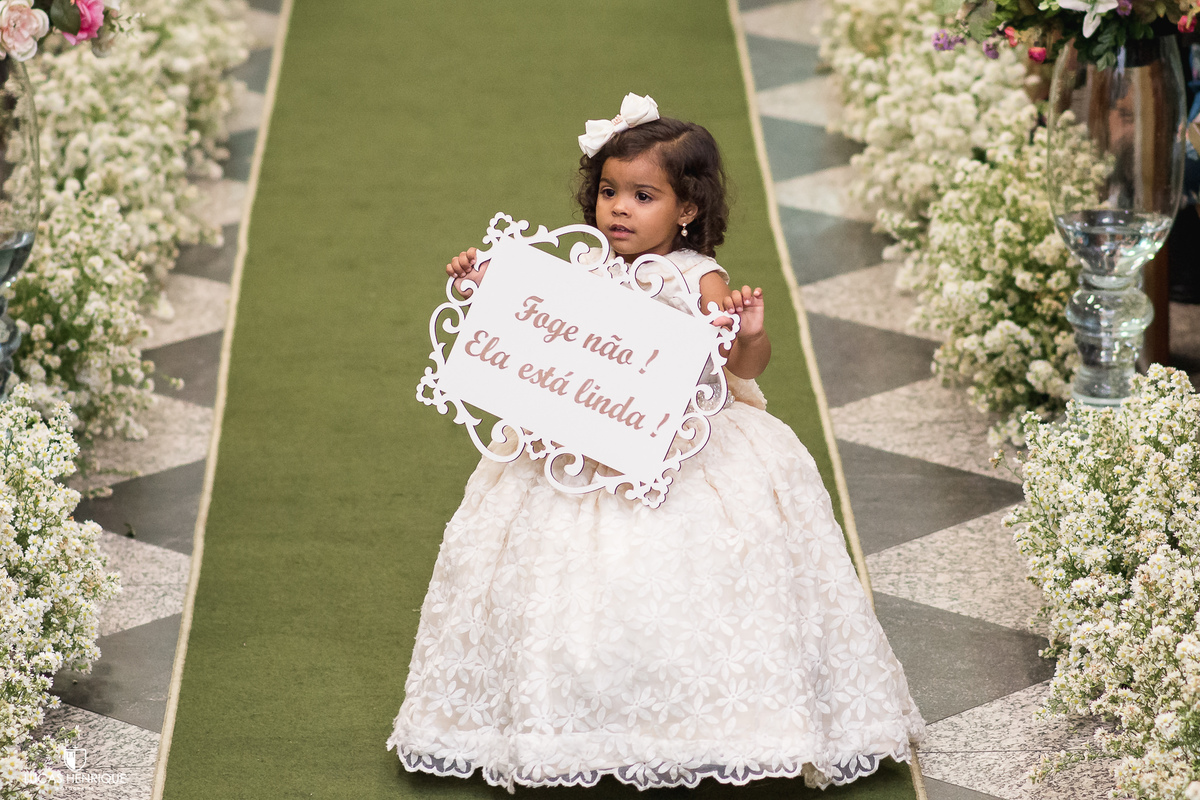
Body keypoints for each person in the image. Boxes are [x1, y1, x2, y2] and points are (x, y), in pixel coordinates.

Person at [387, 93, 924, 793]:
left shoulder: (696, 278)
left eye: (643, 196)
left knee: (688, 583)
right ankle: (565, 718)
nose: (619, 209)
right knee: (562, 578)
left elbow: (741, 369)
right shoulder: (584, 265)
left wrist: (749, 330)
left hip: (683, 450)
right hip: (580, 441)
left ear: (688, 210)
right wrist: (484, 282)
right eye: (609, 191)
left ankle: (701, 723)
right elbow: (538, 321)